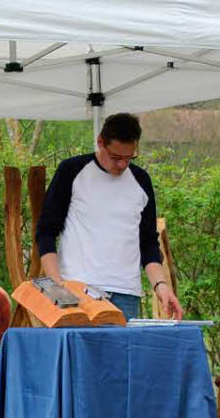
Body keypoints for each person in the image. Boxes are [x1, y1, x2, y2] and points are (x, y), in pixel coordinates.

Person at [35, 112, 183, 321]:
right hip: (77, 291)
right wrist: (57, 284)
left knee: (121, 354)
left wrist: (161, 286)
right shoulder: (72, 170)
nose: (122, 164)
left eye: (129, 157)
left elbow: (148, 243)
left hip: (126, 295)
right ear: (100, 142)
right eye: (115, 157)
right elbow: (46, 231)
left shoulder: (141, 180)